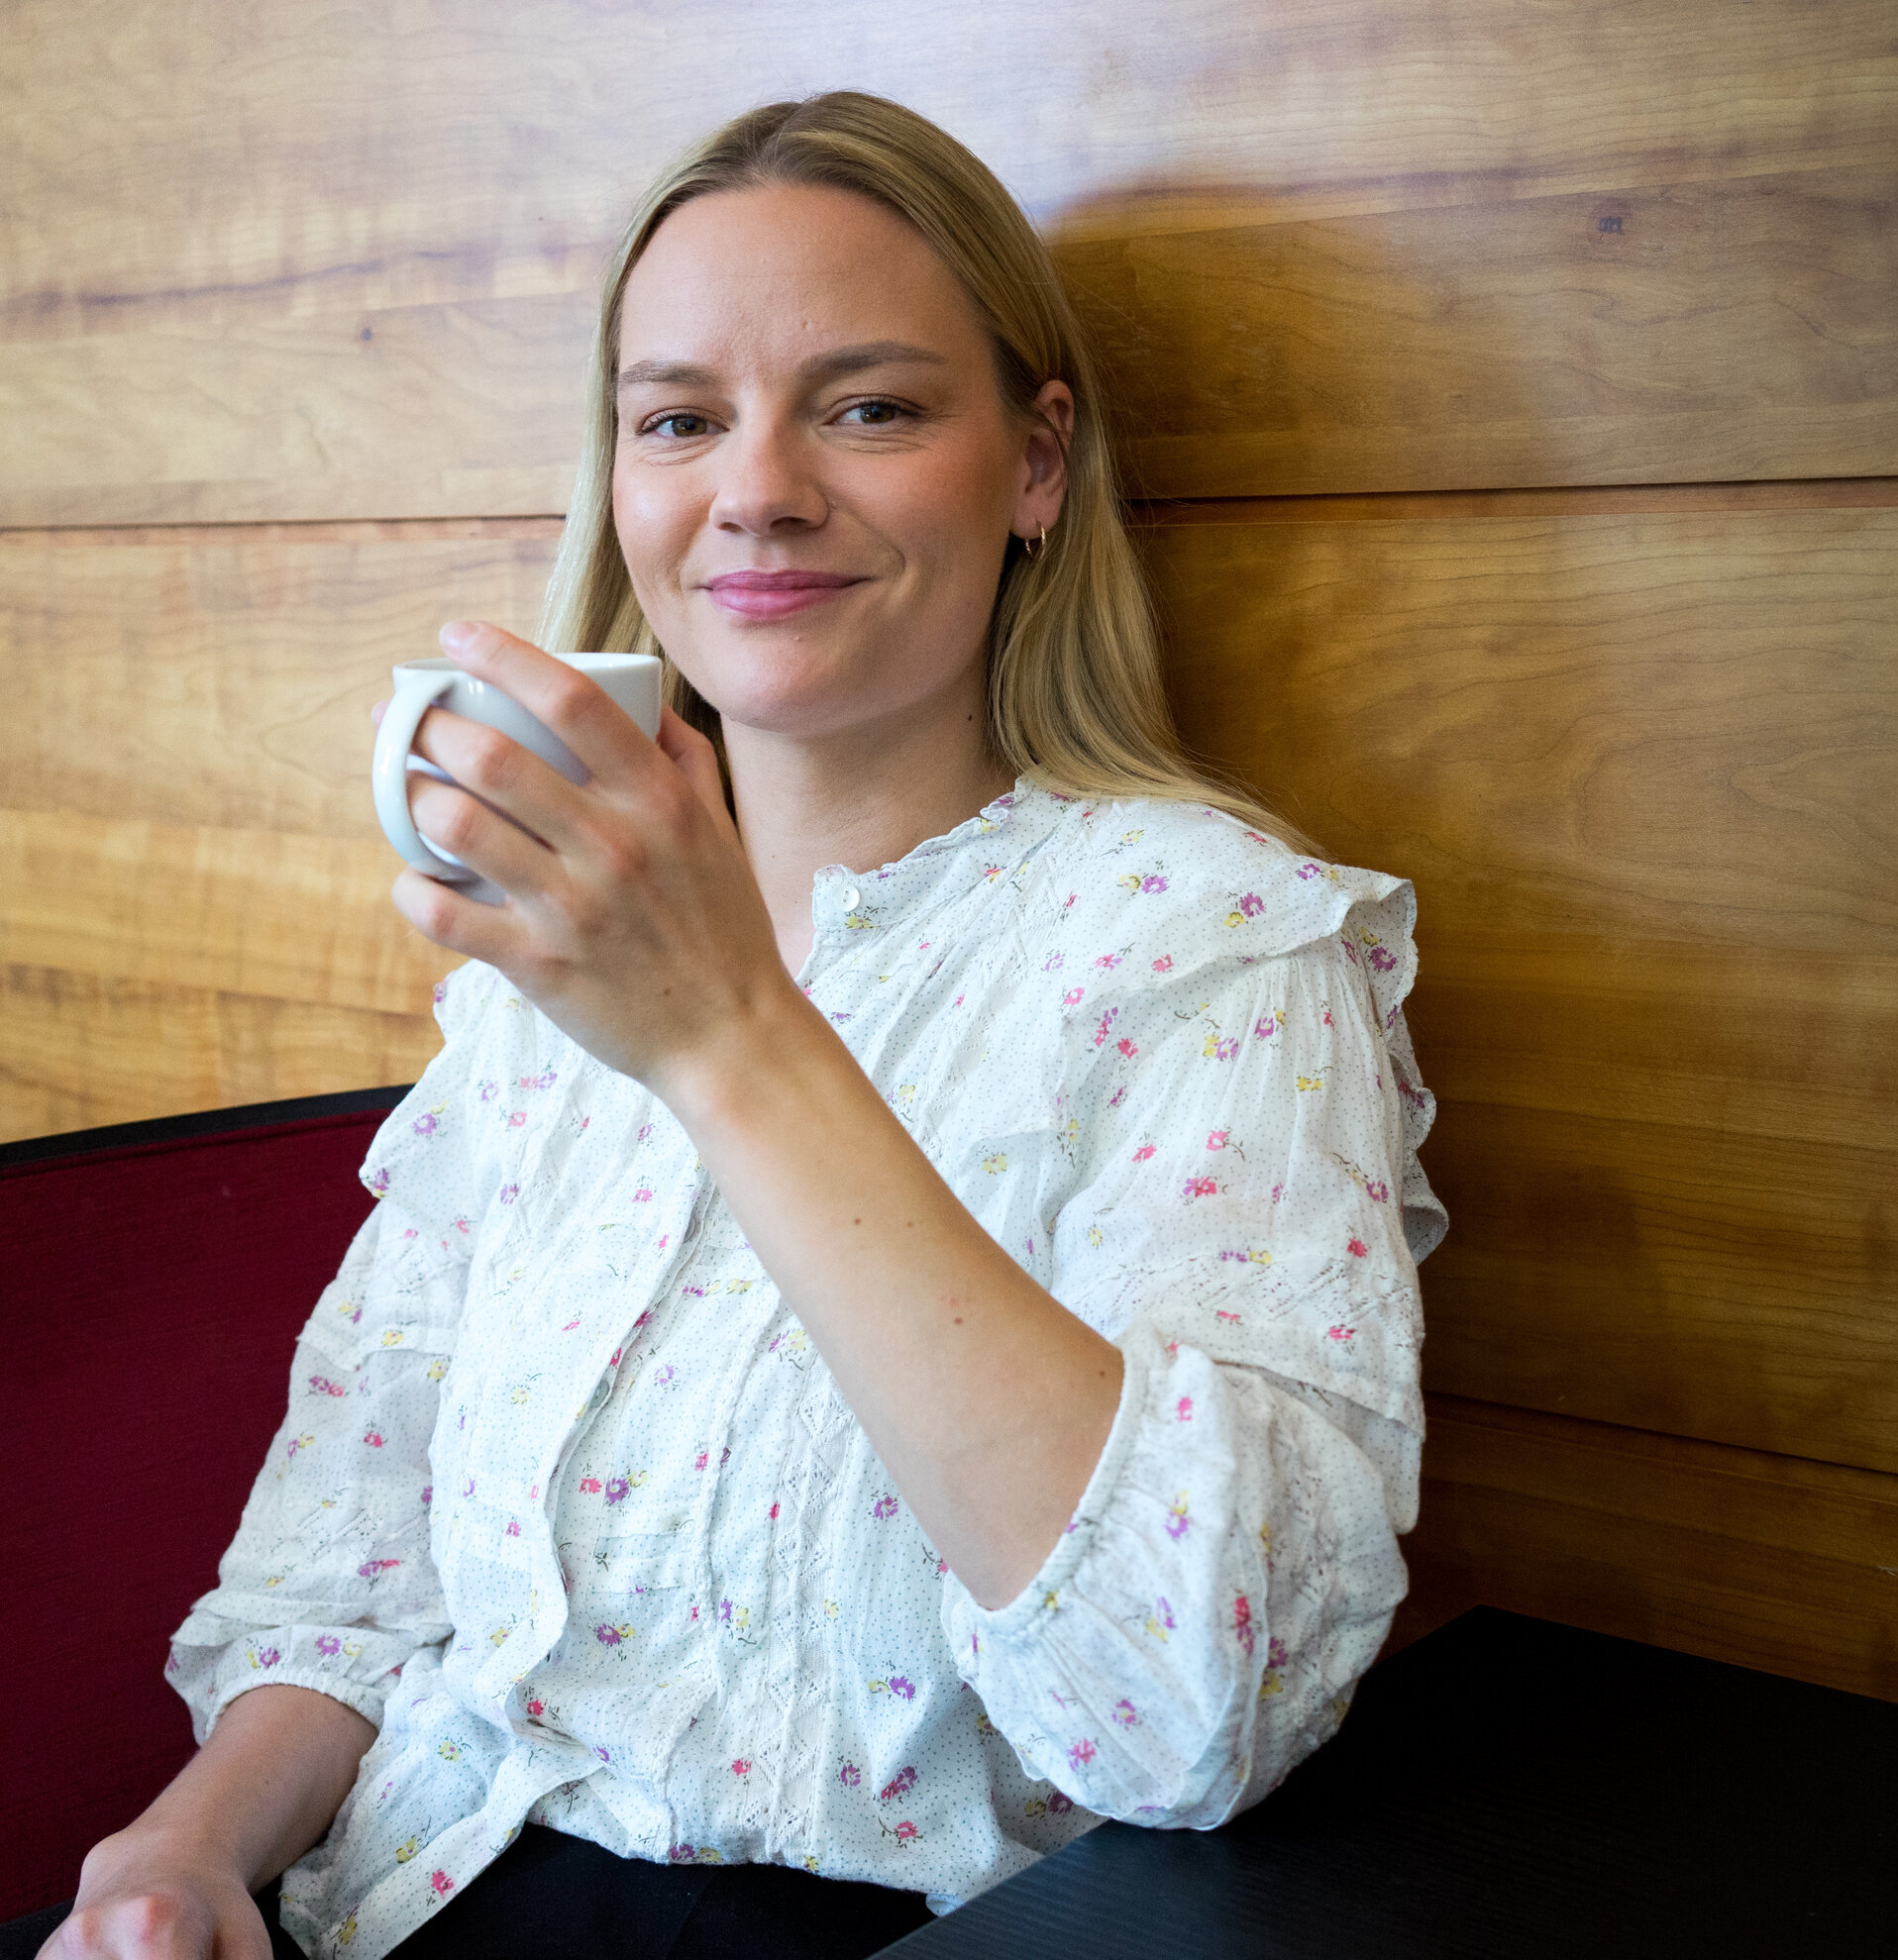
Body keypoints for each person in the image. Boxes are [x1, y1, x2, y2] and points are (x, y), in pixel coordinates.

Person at [36, 91, 1444, 1960]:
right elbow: (349, 1584)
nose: (755, 488)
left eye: (868, 406)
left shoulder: (1212, 952)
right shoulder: (539, 984)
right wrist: (176, 1856)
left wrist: (724, 1038)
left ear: (1034, 463)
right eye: (680, 417)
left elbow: (1196, 1714)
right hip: (403, 1892)